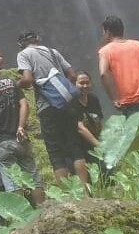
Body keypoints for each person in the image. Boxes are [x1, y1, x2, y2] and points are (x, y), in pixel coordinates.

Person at [15, 31, 87, 184]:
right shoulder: (52, 52)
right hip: (67, 105)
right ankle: (87, 193)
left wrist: (16, 85)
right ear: (37, 40)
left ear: (21, 44)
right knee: (75, 147)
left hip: (47, 107)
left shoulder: (23, 54)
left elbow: (27, 80)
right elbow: (73, 76)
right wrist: (63, 90)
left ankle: (68, 197)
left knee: (56, 153)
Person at [0, 55, 44, 206]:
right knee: (32, 176)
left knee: (12, 182)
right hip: (20, 138)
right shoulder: (11, 82)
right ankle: (43, 211)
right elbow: (24, 104)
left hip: (1, 141)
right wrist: (20, 127)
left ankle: (22, 220)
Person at [65, 72, 104, 182]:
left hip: (93, 140)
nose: (85, 86)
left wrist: (104, 140)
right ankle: (85, 194)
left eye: (87, 83)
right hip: (76, 144)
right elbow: (80, 128)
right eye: (81, 83)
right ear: (74, 84)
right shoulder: (71, 102)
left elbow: (99, 121)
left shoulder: (93, 99)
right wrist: (98, 144)